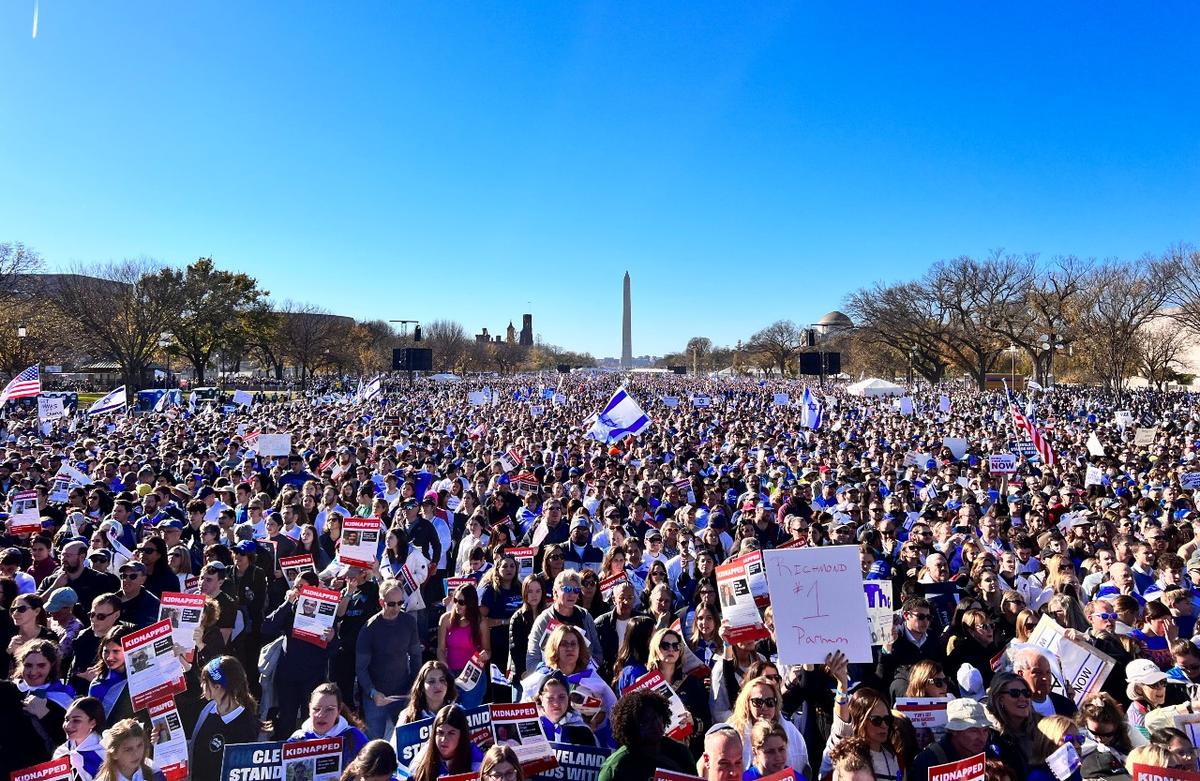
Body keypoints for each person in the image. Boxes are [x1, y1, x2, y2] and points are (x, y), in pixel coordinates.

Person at [357, 577, 423, 740]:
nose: (397, 608)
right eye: (391, 604)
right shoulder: (369, 628)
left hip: (403, 692)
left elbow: (415, 656)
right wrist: (373, 693)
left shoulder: (408, 621)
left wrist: (415, 687)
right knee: (375, 743)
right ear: (381, 602)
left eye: (400, 603)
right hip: (376, 695)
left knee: (407, 740)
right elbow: (361, 668)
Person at [596, 690, 694, 781]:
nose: (656, 725)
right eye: (646, 721)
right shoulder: (617, 767)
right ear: (631, 727)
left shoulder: (680, 753)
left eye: (657, 717)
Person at [729, 675, 809, 777]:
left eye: (770, 702)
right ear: (747, 703)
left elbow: (801, 766)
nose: (764, 707)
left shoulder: (791, 732)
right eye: (758, 702)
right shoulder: (732, 733)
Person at [525, 570, 604, 672]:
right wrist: (550, 676)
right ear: (555, 592)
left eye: (576, 590)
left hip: (582, 680)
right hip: (551, 682)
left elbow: (597, 654)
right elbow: (532, 660)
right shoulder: (543, 620)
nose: (572, 594)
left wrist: (585, 673)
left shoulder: (585, 617)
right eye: (567, 589)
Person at [13, 639, 77, 751]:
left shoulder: (62, 697)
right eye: (28, 665)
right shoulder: (11, 690)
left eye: (41, 665)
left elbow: (69, 741)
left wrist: (44, 714)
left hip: (44, 763)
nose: (33, 672)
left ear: (51, 665)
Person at [910, 698, 996, 781]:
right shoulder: (928, 761)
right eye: (973, 731)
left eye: (985, 730)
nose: (982, 738)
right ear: (954, 731)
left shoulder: (989, 754)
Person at [290, 683, 370, 770]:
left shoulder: (354, 736)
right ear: (309, 709)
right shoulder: (297, 739)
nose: (321, 715)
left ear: (339, 710)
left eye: (329, 709)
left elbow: (376, 771)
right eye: (316, 709)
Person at [407, 704, 483, 781]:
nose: (443, 739)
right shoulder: (422, 759)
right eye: (440, 732)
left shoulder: (474, 757)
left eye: (451, 733)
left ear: (462, 735)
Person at [986, 672, 1040, 779]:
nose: (1023, 698)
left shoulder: (1041, 726)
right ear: (1000, 699)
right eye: (1015, 693)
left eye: (1026, 693)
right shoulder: (989, 735)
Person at [438, 582, 490, 675]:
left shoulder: (481, 622)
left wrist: (485, 655)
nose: (457, 605)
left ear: (470, 603)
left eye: (461, 602)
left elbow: (487, 650)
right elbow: (440, 649)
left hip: (473, 674)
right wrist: (443, 664)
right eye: (455, 600)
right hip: (450, 673)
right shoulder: (446, 619)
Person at [535, 671, 596, 746]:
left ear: (568, 698)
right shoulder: (532, 727)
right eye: (550, 698)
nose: (556, 704)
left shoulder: (582, 731)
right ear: (541, 699)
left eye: (561, 697)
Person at [94, 718, 167, 781]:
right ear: (114, 754)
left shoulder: (154, 771)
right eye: (128, 749)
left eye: (139, 745)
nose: (136, 753)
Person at [1013, 647, 1077, 718]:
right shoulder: (1015, 712)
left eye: (1048, 672)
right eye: (1038, 672)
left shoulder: (1066, 705)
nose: (1045, 678)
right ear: (1020, 674)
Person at [54, 696, 107, 781]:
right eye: (67, 720)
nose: (68, 726)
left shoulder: (106, 753)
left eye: (76, 720)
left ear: (93, 723)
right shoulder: (61, 752)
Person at [395, 661, 457, 728]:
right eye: (431, 681)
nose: (438, 685)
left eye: (442, 680)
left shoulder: (458, 712)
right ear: (422, 687)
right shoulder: (407, 716)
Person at [1126, 658, 1169, 734]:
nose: (1161, 688)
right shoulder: (1139, 721)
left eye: (1163, 681)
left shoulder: (1150, 706)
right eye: (1154, 684)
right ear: (1138, 689)